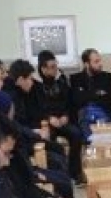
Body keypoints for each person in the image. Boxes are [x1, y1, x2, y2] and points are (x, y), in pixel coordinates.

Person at [35, 50, 86, 182]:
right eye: (52, 67)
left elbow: (70, 102)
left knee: (76, 134)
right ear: (43, 69)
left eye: (56, 65)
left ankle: (75, 172)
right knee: (50, 141)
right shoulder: (36, 84)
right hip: (46, 122)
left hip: (62, 120)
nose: (55, 69)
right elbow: (36, 107)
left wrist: (66, 116)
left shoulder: (61, 79)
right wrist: (49, 118)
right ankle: (57, 174)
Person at [69, 48, 111, 128]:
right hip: (85, 115)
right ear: (86, 64)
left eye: (100, 61)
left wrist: (86, 94)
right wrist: (97, 93)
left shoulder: (107, 77)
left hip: (104, 112)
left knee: (100, 118)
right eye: (96, 62)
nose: (100, 64)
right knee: (86, 113)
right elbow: (77, 100)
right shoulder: (75, 78)